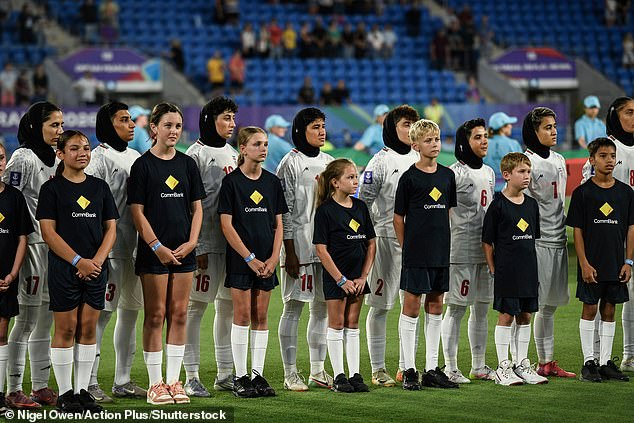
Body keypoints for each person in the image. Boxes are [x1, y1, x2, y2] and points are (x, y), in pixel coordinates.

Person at [128, 103, 205, 405]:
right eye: (168, 125)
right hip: (154, 253)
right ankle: (155, 384)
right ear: (154, 128)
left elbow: (197, 208)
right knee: (156, 314)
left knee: (179, 313)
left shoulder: (187, 164)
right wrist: (156, 246)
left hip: (184, 251)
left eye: (178, 126)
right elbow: (137, 212)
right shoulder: (142, 165)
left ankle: (174, 381)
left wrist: (192, 242)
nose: (174, 131)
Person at [36, 130, 118, 412]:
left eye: (86, 147)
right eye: (74, 148)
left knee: (88, 328)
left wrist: (95, 261)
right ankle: (65, 394)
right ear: (60, 154)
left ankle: (83, 392)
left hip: (96, 268)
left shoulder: (100, 187)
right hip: (64, 268)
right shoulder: (51, 189)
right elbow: (48, 232)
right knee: (66, 328)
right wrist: (77, 261)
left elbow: (111, 228)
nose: (82, 153)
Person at [218, 127, 288, 398]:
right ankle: (240, 376)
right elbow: (226, 224)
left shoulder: (272, 182)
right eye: (257, 144)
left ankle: (257, 375)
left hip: (267, 260)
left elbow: (279, 224)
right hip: (241, 260)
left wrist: (273, 257)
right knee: (243, 316)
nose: (263, 148)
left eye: (265, 144)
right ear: (243, 148)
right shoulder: (231, 182)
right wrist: (249, 258)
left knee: (261, 316)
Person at [3, 102, 63, 409]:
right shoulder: (23, 158)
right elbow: (9, 202)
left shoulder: (58, 158)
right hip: (31, 249)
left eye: (61, 125)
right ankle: (13, 389)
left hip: (55, 247)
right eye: (53, 125)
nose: (59, 131)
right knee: (25, 319)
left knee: (45, 319)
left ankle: (39, 385)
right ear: (35, 126)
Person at [84, 102, 146, 403]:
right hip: (109, 252)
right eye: (124, 120)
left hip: (135, 249)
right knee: (101, 316)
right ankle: (89, 382)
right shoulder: (97, 159)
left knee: (130, 313)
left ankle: (123, 380)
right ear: (109, 125)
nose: (131, 124)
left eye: (131, 119)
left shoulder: (135, 157)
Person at [394, 119, 458, 390]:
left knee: (436, 305)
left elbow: (448, 212)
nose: (434, 144)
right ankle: (409, 369)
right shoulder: (409, 178)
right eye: (428, 140)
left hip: (440, 252)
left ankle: (431, 368)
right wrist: (407, 247)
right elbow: (398, 218)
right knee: (411, 307)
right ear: (415, 145)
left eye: (437, 139)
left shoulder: (447, 176)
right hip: (416, 253)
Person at [359, 105, 420, 387]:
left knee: (413, 306)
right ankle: (378, 368)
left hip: (417, 243)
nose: (411, 129)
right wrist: (367, 241)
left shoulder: (420, 157)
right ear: (391, 129)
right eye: (406, 124)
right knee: (381, 305)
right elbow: (362, 204)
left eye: (414, 124)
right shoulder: (380, 162)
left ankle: (407, 367)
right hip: (385, 239)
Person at [183, 97, 238, 397]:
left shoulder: (233, 153)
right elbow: (190, 205)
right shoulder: (195, 155)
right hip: (205, 245)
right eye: (226, 118)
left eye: (233, 118)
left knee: (227, 307)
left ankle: (225, 373)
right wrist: (198, 245)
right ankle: (191, 376)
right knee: (196, 308)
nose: (231, 124)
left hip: (230, 244)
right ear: (209, 120)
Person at [276, 108, 334, 391]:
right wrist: (289, 250)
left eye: (323, 126)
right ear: (301, 130)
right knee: (293, 308)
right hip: (299, 247)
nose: (322, 132)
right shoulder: (290, 163)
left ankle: (317, 371)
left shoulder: (330, 162)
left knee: (321, 309)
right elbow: (284, 210)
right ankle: (290, 374)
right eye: (315, 127)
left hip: (325, 249)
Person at [567, 137, 632, 382]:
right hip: (591, 263)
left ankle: (605, 362)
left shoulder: (626, 193)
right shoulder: (583, 193)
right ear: (592, 160)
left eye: (612, 156)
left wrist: (628, 262)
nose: (609, 160)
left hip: (616, 262)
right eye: (603, 156)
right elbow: (578, 231)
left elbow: (631, 229)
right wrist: (583, 263)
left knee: (610, 308)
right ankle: (589, 363)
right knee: (590, 308)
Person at [482, 152, 548, 386]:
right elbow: (487, 242)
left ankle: (522, 365)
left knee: (526, 315)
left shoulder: (531, 205)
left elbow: (532, 238)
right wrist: (494, 269)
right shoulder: (497, 205)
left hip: (528, 270)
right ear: (507, 175)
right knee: (507, 315)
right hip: (506, 271)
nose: (527, 176)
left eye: (528, 171)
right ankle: (503, 367)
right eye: (521, 171)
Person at [313, 158, 376, 393]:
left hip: (357, 278)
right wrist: (341, 280)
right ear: (335, 183)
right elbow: (321, 249)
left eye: (356, 176)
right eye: (350, 177)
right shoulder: (325, 211)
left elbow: (371, 243)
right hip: (336, 278)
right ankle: (339, 375)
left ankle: (355, 374)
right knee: (337, 324)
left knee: (352, 324)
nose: (355, 181)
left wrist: (363, 276)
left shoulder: (360, 207)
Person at [581, 97, 634, 371]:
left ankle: (628, 355)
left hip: (631, 232)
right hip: (610, 236)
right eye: (629, 112)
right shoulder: (608, 149)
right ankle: (598, 358)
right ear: (615, 116)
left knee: (627, 298)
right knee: (604, 297)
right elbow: (587, 195)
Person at [441, 118, 496, 384]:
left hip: (484, 251)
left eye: (485, 136)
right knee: (456, 309)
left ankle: (479, 365)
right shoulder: (453, 174)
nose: (484, 141)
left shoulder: (490, 172)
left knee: (482, 308)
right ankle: (450, 367)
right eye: (477, 137)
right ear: (465, 142)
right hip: (460, 250)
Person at [523, 107, 576, 378]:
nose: (554, 131)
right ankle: (521, 362)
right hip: (538, 241)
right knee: (534, 304)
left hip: (559, 238)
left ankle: (546, 362)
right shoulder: (527, 162)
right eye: (547, 127)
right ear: (534, 131)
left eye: (555, 126)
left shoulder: (559, 159)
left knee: (551, 305)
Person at [0, 142, 34, 416]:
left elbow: (22, 237)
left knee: (2, 333)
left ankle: (1, 395)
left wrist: (12, 273)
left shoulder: (14, 197)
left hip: (6, 279)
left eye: (1, 158)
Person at [484, 112, 522, 193]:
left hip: (486, 189)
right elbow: (522, 169)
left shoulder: (483, 144)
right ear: (502, 128)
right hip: (508, 190)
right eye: (509, 124)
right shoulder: (513, 144)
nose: (511, 126)